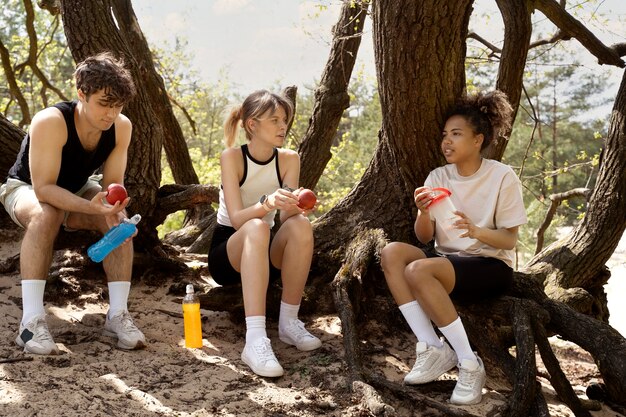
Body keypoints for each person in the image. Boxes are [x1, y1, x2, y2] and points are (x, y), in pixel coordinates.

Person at [380, 90, 527, 405]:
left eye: (456, 134)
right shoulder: (437, 176)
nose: (446, 141)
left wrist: (476, 230)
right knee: (392, 252)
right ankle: (432, 346)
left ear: (478, 140)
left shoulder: (501, 176)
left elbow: (510, 240)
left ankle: (470, 364)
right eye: (444, 135)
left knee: (419, 270)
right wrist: (422, 211)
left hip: (490, 266)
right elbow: (423, 238)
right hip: (445, 263)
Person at [0, 52, 146, 355]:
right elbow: (44, 189)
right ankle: (31, 324)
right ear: (81, 93)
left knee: (119, 221)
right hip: (26, 188)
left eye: (118, 105)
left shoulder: (121, 126)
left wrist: (112, 209)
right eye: (104, 104)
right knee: (46, 215)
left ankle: (117, 315)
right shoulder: (50, 121)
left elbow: (111, 187)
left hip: (79, 188)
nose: (111, 113)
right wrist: (91, 208)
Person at [208, 90, 321, 378]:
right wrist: (267, 203)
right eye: (275, 120)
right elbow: (235, 219)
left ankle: (288, 323)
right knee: (256, 225)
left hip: (264, 246)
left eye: (285, 119)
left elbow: (284, 217)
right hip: (228, 251)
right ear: (252, 125)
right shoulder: (232, 157)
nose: (283, 126)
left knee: (300, 225)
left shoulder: (289, 159)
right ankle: (255, 339)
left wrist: (298, 206)